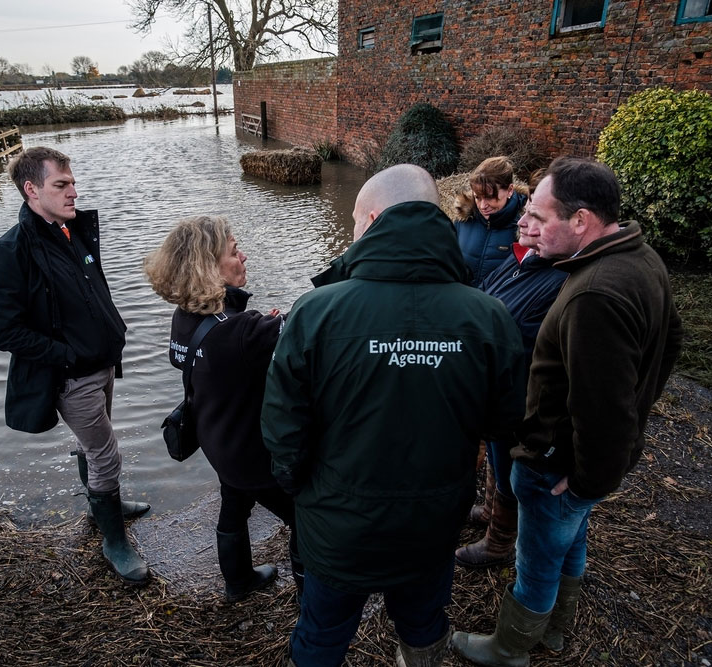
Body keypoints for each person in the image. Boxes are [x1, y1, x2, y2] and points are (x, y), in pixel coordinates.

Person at [261, 164, 526, 667]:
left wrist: (300, 489)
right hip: (432, 521)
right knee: (424, 623)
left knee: (322, 633)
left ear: (376, 218)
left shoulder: (315, 312)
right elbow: (503, 422)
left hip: (338, 524)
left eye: (356, 220)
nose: (353, 232)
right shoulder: (488, 316)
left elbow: (282, 429)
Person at [452, 157, 683, 664]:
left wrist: (584, 480)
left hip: (556, 462)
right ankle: (556, 628)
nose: (526, 222)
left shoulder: (593, 293)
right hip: (578, 463)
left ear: (581, 221)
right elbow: (669, 349)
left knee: (536, 559)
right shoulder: (642, 259)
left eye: (540, 213)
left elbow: (603, 408)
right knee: (569, 539)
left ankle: (510, 646)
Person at [0, 146, 150, 586]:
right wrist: (66, 355)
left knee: (93, 448)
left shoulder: (71, 231)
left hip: (103, 364)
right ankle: (114, 542)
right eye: (62, 185)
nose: (74, 191)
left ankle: (102, 507)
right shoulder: (9, 253)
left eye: (73, 182)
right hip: (71, 377)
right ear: (31, 189)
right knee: (105, 453)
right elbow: (1, 332)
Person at [144, 216, 303, 603]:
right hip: (254, 454)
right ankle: (311, 605)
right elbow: (308, 323)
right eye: (234, 251)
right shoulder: (242, 332)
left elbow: (213, 359)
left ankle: (238, 581)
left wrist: (259, 332)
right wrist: (267, 329)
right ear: (209, 267)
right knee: (306, 520)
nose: (243, 256)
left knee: (233, 506)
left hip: (218, 440)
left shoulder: (185, 319)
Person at [456, 169, 568, 570]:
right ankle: (490, 512)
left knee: (506, 459)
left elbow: (524, 338)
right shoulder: (524, 259)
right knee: (496, 452)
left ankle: (499, 542)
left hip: (516, 392)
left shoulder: (557, 277)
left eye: (535, 219)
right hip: (498, 384)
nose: (522, 224)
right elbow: (489, 297)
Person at [453, 156, 529, 288]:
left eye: (490, 198)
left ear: (510, 190)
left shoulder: (526, 228)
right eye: (477, 197)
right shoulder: (464, 220)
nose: (482, 206)